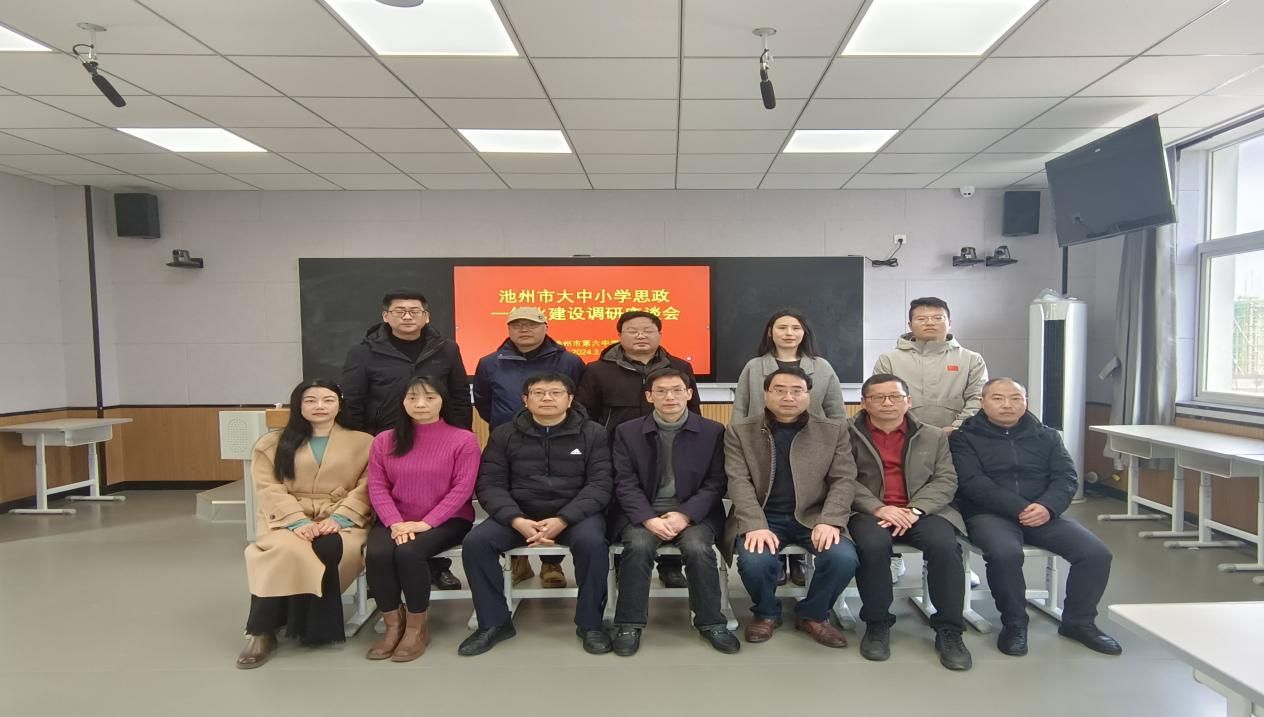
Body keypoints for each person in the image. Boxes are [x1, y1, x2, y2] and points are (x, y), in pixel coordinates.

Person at [950, 378, 1122, 657]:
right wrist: (1020, 508)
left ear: (1026, 402)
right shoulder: (964, 437)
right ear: (982, 402)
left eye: (1015, 398)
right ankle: (1015, 624)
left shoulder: (1047, 436)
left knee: (1095, 554)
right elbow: (972, 482)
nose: (1007, 404)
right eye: (998, 398)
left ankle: (1079, 623)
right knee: (1005, 554)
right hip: (989, 513)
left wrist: (1047, 507)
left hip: (1043, 513)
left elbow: (1066, 477)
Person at [458, 373, 614, 656]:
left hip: (575, 515)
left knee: (593, 543)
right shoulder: (504, 434)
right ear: (525, 400)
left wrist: (563, 519)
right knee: (476, 543)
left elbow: (600, 484)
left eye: (555, 393)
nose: (547, 398)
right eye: (539, 393)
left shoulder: (593, 433)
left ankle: (590, 624)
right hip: (520, 514)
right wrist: (516, 520)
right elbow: (490, 484)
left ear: (570, 399)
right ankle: (494, 623)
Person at [340, 287, 470, 590]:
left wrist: (458, 436)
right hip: (386, 440)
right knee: (388, 501)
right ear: (386, 316)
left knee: (434, 499)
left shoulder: (446, 349)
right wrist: (364, 442)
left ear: (426, 316)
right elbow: (354, 400)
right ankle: (384, 573)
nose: (408, 316)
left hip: (437, 439)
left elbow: (460, 395)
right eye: (399, 311)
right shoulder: (364, 352)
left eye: (414, 311)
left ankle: (436, 567)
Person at [238, 379, 374, 669]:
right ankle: (261, 631)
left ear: (339, 404)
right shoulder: (271, 443)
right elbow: (268, 488)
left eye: (328, 400)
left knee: (330, 546)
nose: (319, 406)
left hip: (343, 518)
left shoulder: (364, 442)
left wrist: (339, 517)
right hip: (285, 519)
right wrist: (296, 521)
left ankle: (312, 627)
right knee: (284, 551)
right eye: (310, 400)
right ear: (298, 405)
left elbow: (368, 485)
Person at [724, 366, 860, 648]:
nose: (788, 397)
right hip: (763, 516)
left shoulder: (833, 430)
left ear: (808, 395)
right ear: (765, 394)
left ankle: (813, 614)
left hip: (814, 516)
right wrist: (755, 524)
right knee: (755, 561)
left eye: (797, 391)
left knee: (843, 558)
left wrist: (830, 519)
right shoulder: (740, 430)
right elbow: (738, 481)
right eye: (780, 390)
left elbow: (844, 479)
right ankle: (766, 613)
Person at [609, 368, 739, 656]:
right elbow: (624, 481)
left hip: (694, 512)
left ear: (689, 394)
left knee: (697, 547)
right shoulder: (627, 432)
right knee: (638, 546)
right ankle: (629, 624)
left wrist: (685, 515)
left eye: (677, 390)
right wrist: (647, 518)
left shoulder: (712, 431)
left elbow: (716, 482)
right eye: (661, 391)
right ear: (649, 396)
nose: (670, 396)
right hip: (643, 512)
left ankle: (711, 623)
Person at [848, 373, 972, 671]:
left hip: (922, 511)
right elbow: (841, 479)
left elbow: (945, 479)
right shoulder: (844, 434)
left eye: (895, 396)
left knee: (944, 546)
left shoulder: (933, 435)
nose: (887, 403)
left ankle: (950, 630)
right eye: (878, 397)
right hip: (869, 511)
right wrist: (878, 508)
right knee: (872, 546)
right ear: (864, 403)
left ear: (909, 401)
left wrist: (915, 509)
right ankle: (877, 624)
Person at [577, 310, 699, 588]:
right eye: (632, 331)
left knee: (671, 502)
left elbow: (693, 411)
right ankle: (625, 564)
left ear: (660, 334)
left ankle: (670, 567)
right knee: (625, 508)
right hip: (617, 453)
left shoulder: (680, 367)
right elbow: (585, 414)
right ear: (619, 335)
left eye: (648, 330)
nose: (641, 335)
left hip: (670, 450)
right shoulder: (598, 370)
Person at [364, 376, 479, 663]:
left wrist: (425, 523)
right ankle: (393, 625)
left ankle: (417, 628)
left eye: (429, 397)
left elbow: (463, 489)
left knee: (409, 552)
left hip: (448, 519)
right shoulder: (384, 440)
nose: (421, 404)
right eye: (412, 397)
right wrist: (394, 522)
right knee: (377, 553)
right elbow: (377, 486)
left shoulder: (463, 439)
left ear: (442, 400)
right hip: (396, 518)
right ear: (402, 402)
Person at [874, 297, 987, 584]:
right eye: (922, 318)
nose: (930, 323)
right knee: (895, 492)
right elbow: (883, 397)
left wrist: (955, 428)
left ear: (949, 322)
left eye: (937, 318)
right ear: (910, 324)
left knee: (952, 497)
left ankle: (955, 557)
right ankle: (893, 558)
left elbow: (978, 398)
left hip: (955, 438)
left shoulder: (970, 359)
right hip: (903, 439)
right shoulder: (890, 359)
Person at [473, 306, 585, 589]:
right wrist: (508, 426)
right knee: (513, 496)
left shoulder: (569, 361)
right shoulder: (490, 363)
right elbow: (484, 402)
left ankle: (551, 564)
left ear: (546, 327)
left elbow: (580, 400)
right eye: (517, 325)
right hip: (509, 442)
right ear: (508, 329)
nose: (524, 330)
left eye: (531, 324)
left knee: (554, 495)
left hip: (559, 438)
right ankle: (518, 562)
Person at [733, 309, 845, 587]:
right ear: (770, 332)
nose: (788, 333)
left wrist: (833, 438)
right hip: (761, 443)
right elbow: (740, 408)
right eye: (781, 327)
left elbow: (836, 411)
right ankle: (775, 562)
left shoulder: (822, 367)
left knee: (803, 495)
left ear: (804, 333)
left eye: (795, 328)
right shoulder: (754, 366)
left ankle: (796, 560)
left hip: (811, 444)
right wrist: (739, 436)